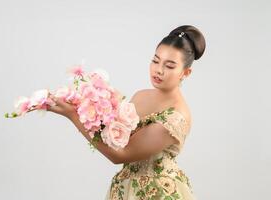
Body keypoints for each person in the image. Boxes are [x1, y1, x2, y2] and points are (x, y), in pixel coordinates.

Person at [47, 24, 206, 200]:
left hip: (158, 193)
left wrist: (73, 115)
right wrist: (84, 105)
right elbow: (115, 139)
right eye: (155, 60)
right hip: (125, 187)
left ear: (185, 72)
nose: (158, 70)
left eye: (169, 66)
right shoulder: (141, 96)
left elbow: (121, 154)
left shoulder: (177, 116)